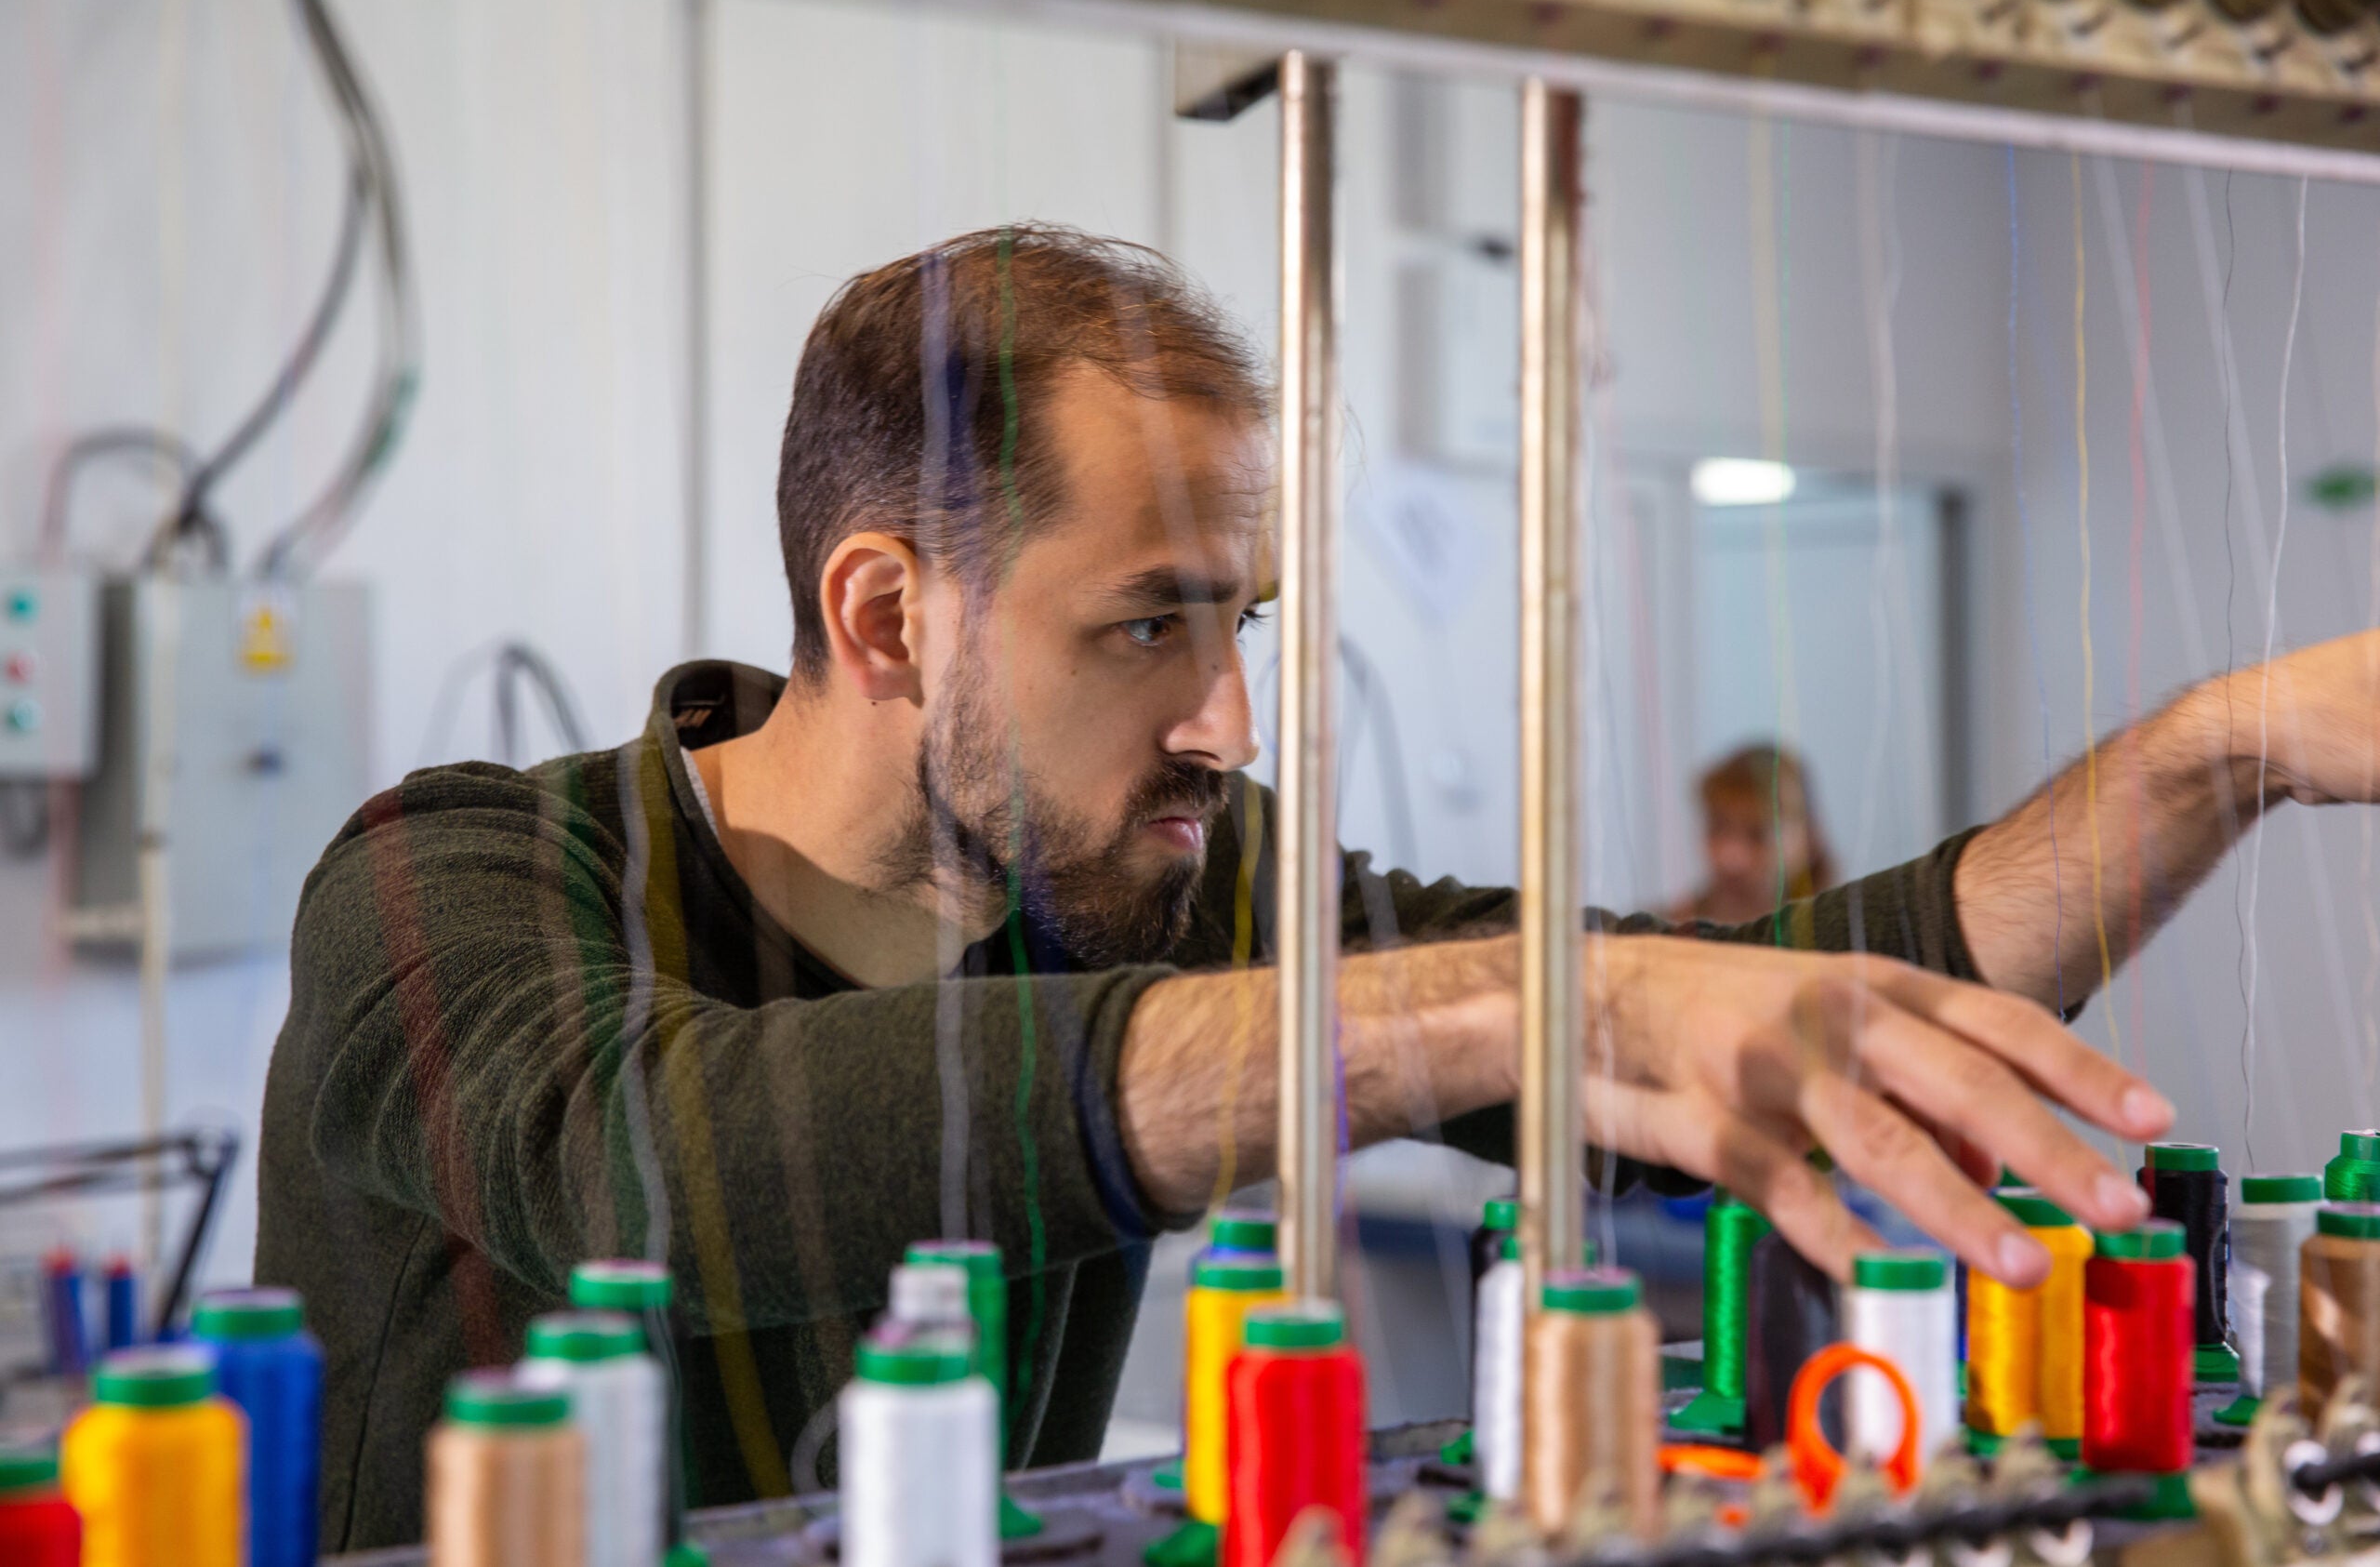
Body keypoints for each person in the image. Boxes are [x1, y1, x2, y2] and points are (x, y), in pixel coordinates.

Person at [258, 225, 2380, 1548]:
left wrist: (2222, 748)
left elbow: (1817, 992)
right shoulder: (446, 891)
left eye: (1242, 620)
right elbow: (651, 1160)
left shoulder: (1164, 875)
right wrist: (1515, 1009)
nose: (1227, 717)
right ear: (888, 613)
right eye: (1146, 625)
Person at [1670, 743, 1837, 925]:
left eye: (1758, 835)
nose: (1731, 858)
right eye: (1717, 827)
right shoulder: (1655, 936)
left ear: (1809, 838)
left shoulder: (1846, 940)